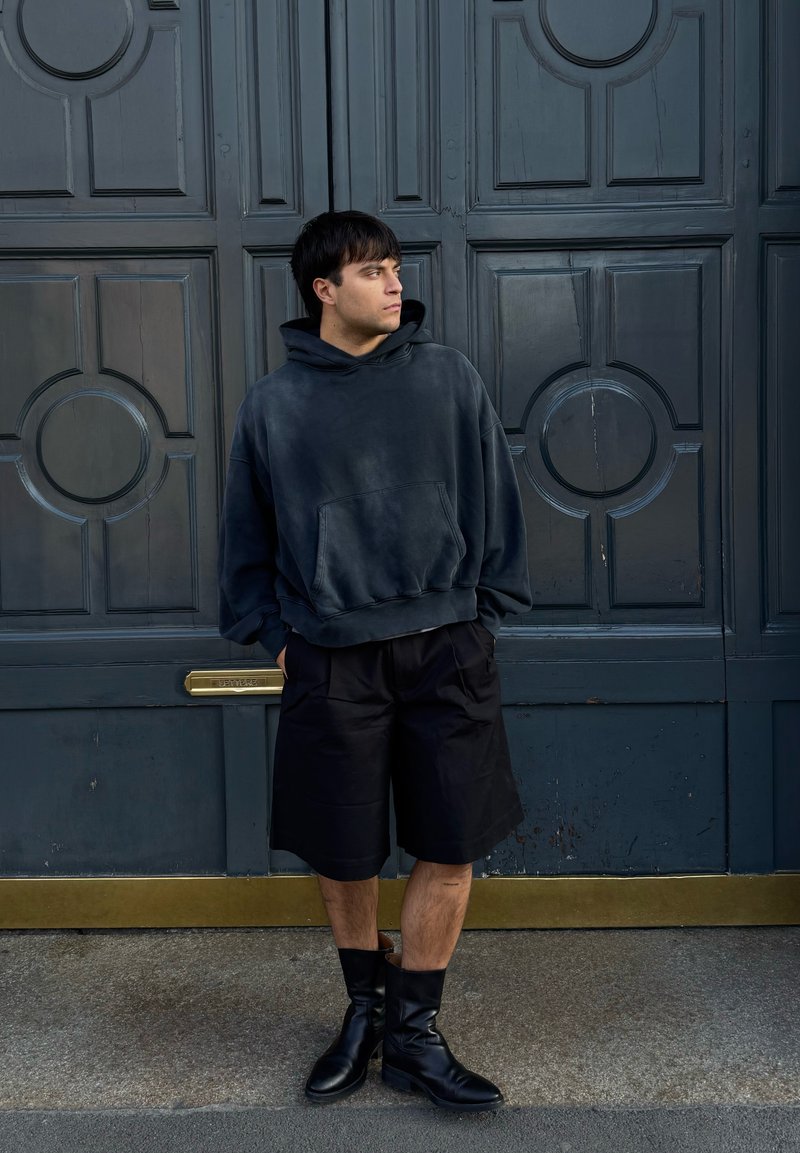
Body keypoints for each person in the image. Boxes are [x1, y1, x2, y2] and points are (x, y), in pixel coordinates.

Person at [218, 210, 531, 1112]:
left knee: (451, 842)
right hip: (331, 657)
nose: (395, 285)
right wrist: (280, 635)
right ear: (324, 288)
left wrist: (481, 615)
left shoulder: (447, 378)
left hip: (447, 649)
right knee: (342, 847)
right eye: (373, 272)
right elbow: (248, 540)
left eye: (396, 268)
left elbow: (495, 497)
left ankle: (415, 1035)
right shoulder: (274, 405)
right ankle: (363, 1007)